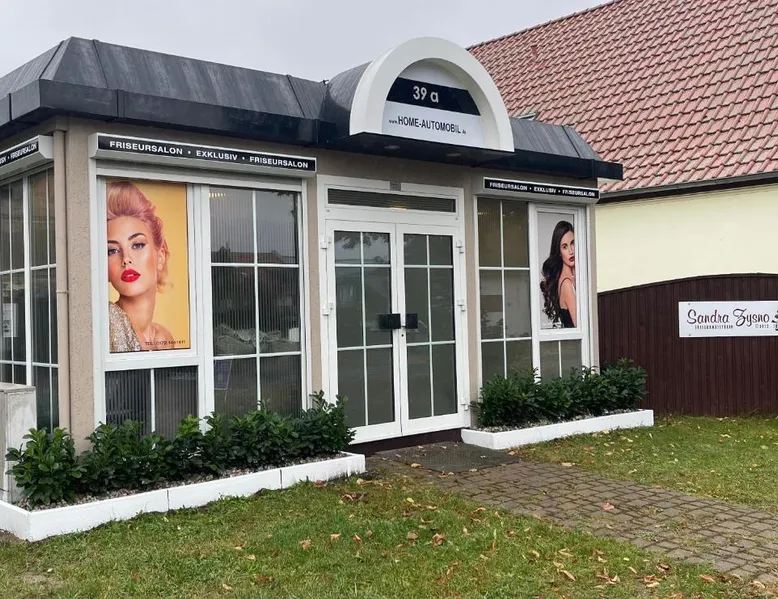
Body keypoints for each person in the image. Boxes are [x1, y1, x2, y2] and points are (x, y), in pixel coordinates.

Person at [107, 180, 176, 352]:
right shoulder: (105, 323)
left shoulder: (164, 337)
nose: (126, 259)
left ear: (160, 256)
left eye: (137, 245)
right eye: (112, 251)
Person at [540, 220, 576, 328]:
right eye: (564, 247)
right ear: (559, 252)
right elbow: (581, 327)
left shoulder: (570, 279)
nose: (571, 251)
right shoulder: (566, 284)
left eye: (573, 243)